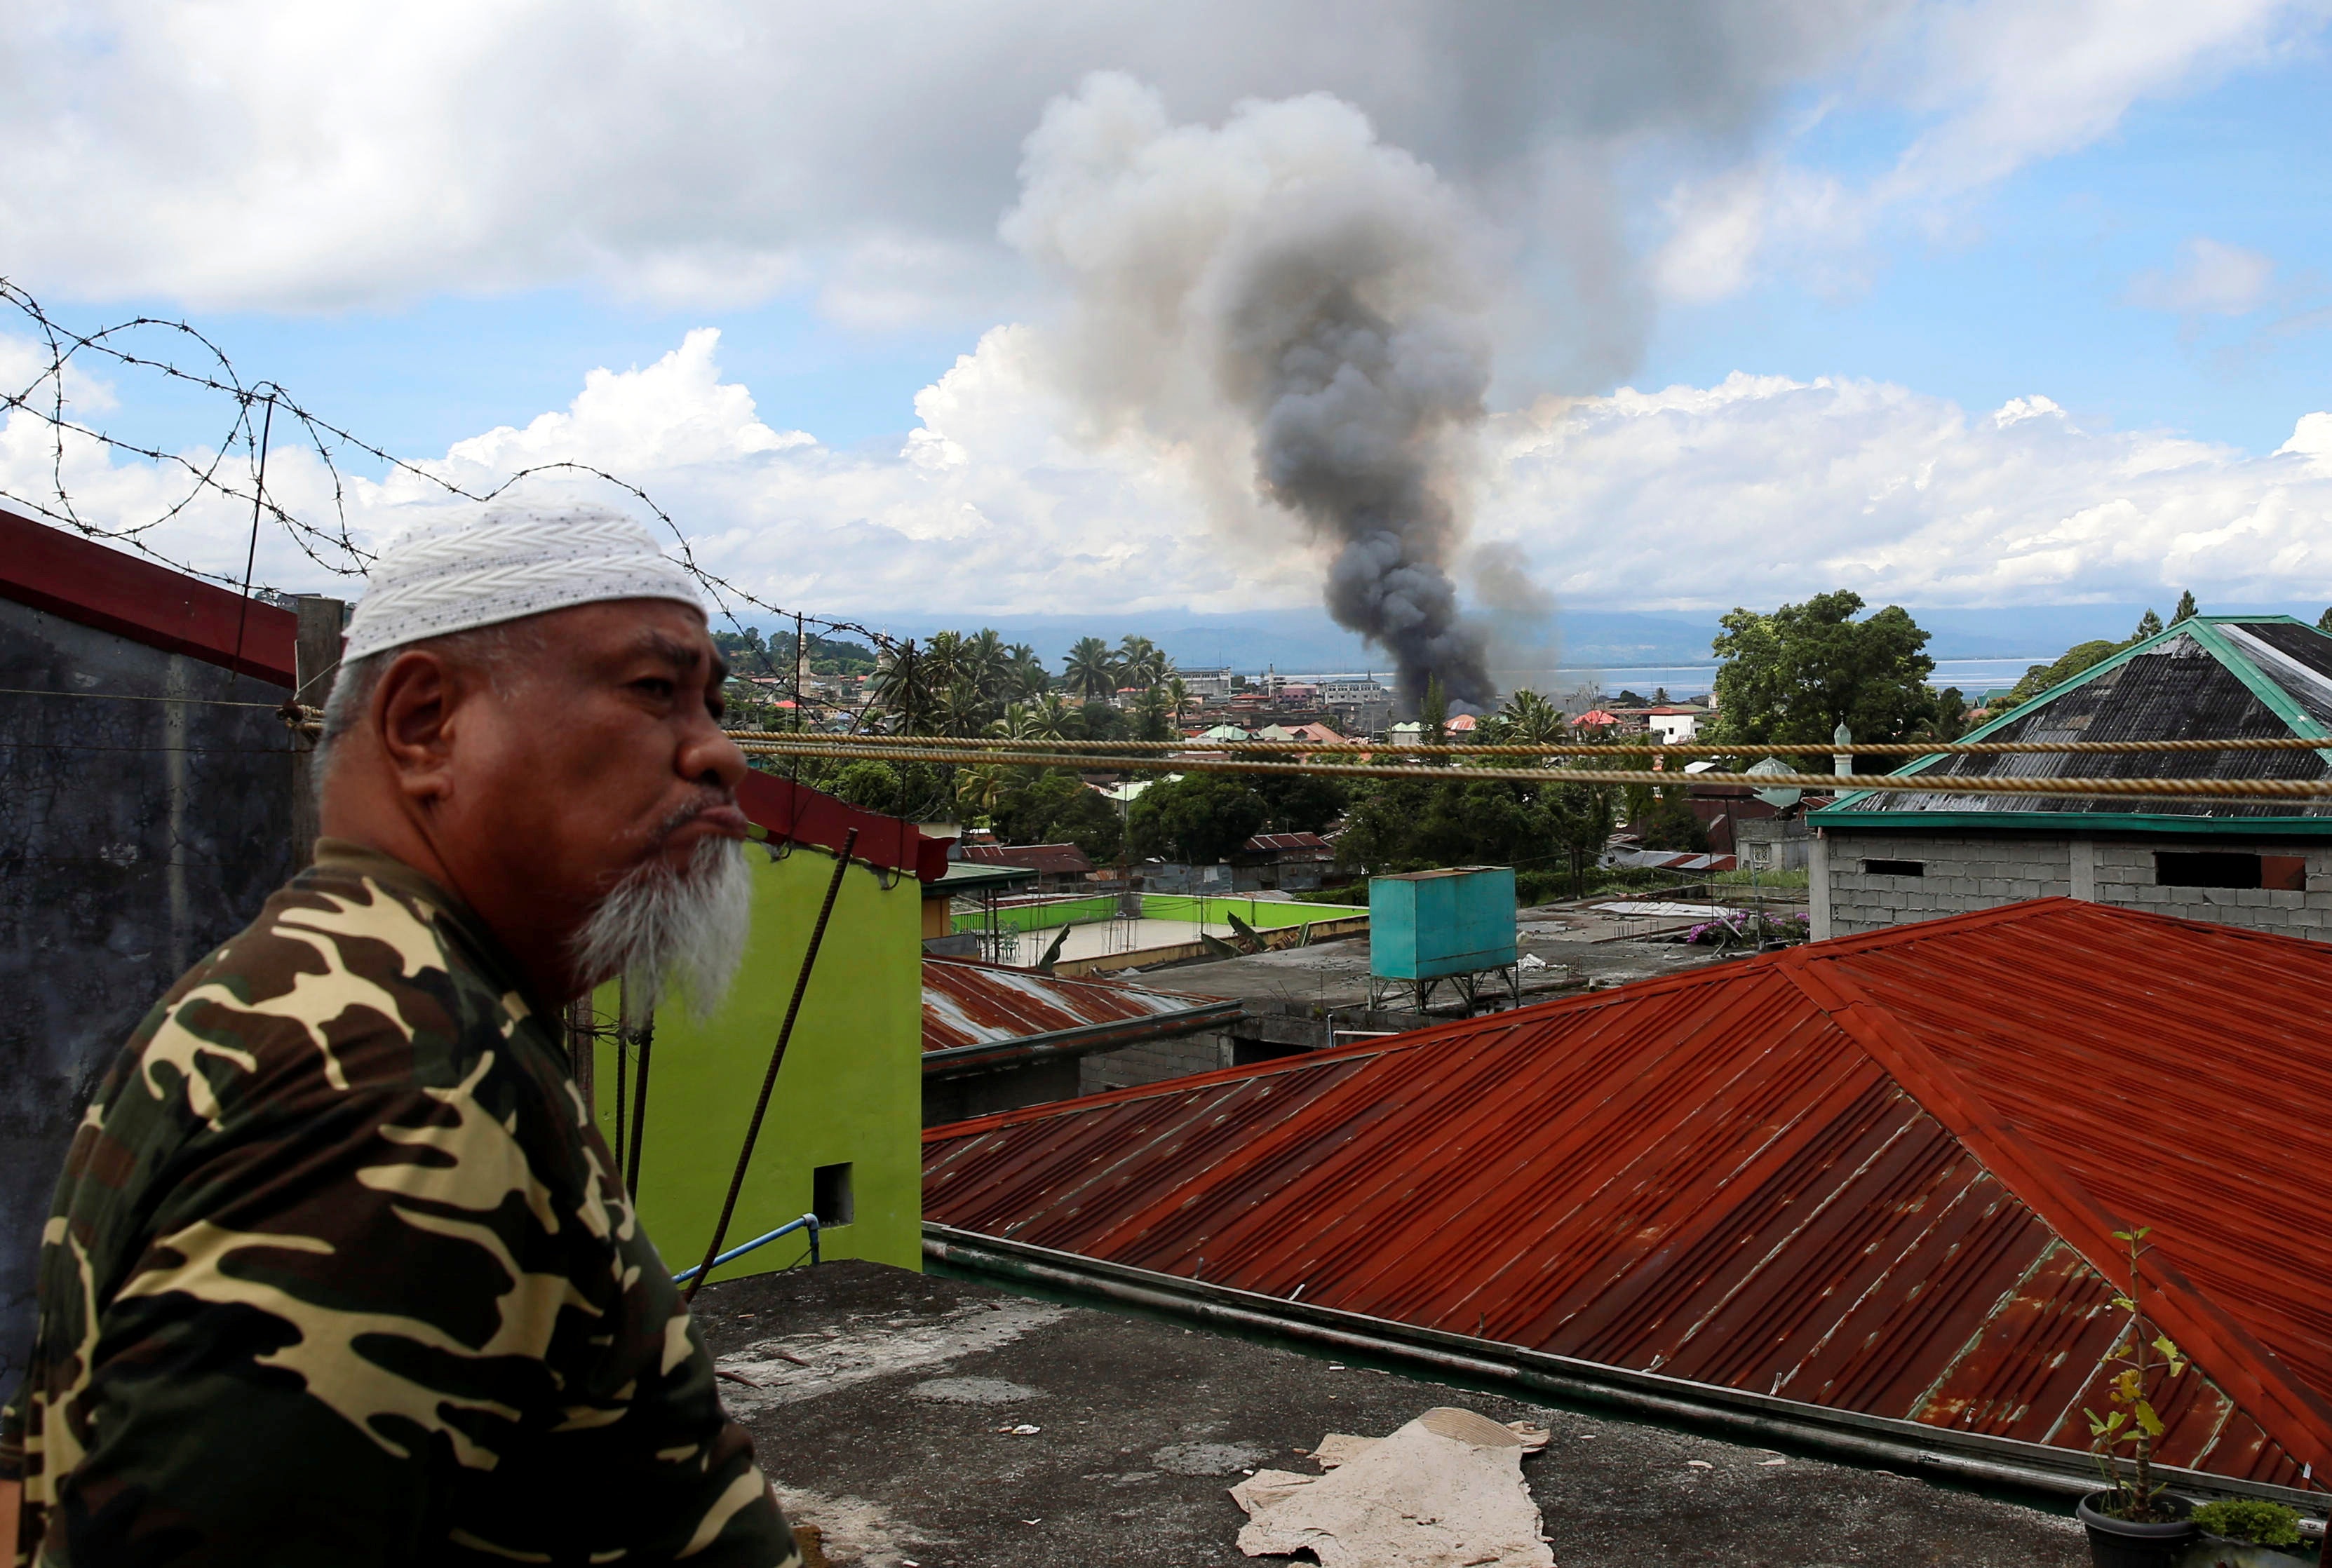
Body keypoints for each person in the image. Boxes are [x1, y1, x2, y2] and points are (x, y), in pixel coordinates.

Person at [0, 507, 799, 1566]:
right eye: (656, 692)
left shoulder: (316, 990)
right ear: (426, 725)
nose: (720, 754)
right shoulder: (396, 1079)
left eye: (711, 702)